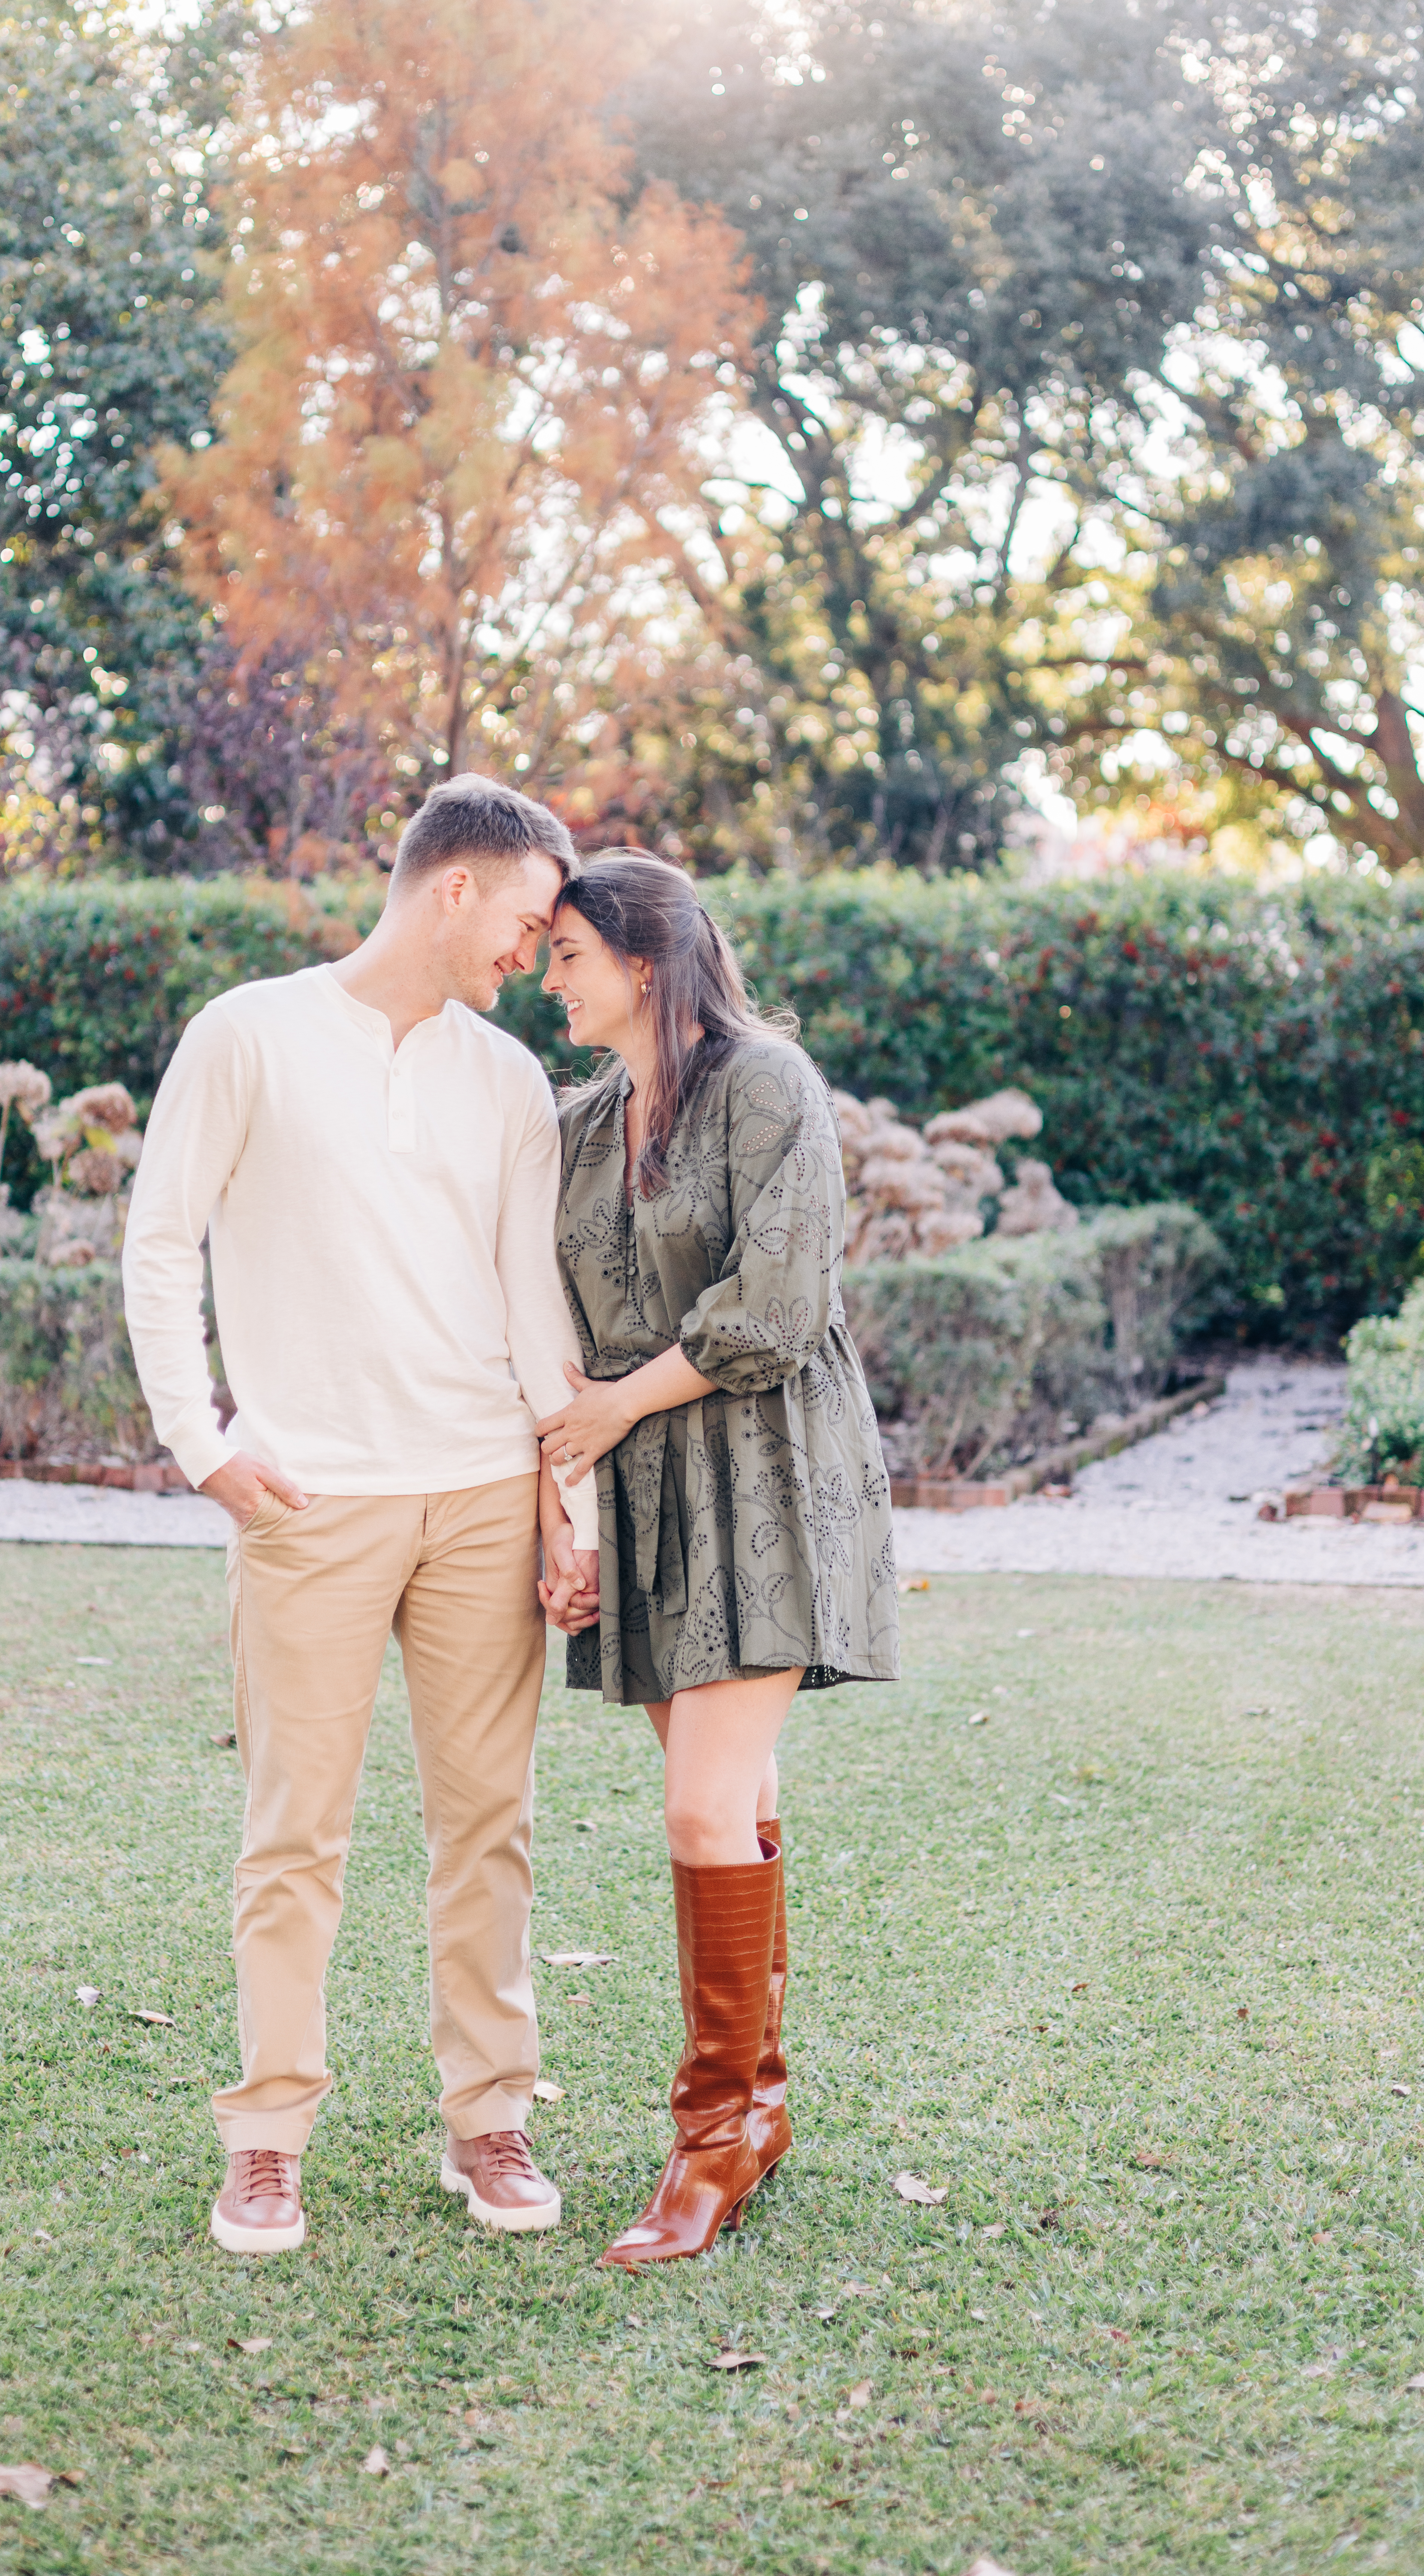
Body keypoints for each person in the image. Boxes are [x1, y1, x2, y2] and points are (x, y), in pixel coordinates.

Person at [122, 777, 599, 2257]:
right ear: (453, 888)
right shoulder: (247, 1033)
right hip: (309, 1500)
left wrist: (559, 1499)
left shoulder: (509, 1078)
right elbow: (160, 1240)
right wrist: (200, 1447)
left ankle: (490, 2121)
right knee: (293, 1839)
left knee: (489, 1831)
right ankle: (266, 2140)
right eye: (525, 921)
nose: (533, 951)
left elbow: (535, 1297)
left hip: (475, 1493)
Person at [536, 851, 899, 2269]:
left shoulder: (765, 1082)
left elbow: (781, 1298)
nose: (548, 977)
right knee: (728, 1799)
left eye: (566, 952)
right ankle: (755, 2106)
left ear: (643, 959)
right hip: (639, 1489)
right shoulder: (577, 1122)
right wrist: (564, 1515)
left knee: (698, 1807)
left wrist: (621, 1405)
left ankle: (710, 2134)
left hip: (763, 1466)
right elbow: (551, 1338)